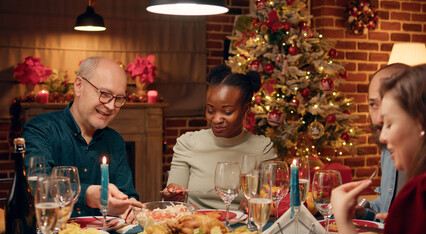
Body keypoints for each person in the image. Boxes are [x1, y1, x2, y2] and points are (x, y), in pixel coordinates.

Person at [23, 56, 142, 222]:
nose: (110, 106)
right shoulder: (40, 129)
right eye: (105, 94)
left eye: (119, 99)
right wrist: (88, 195)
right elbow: (37, 185)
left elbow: (127, 195)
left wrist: (128, 207)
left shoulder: (115, 141)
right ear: (79, 86)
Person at [162, 64, 277, 210]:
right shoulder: (188, 143)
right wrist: (172, 193)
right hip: (196, 226)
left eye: (227, 112)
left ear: (246, 109)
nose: (216, 119)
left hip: (242, 228)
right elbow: (174, 197)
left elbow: (271, 199)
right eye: (210, 110)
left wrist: (255, 204)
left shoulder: (262, 148)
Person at [331, 64, 426, 234]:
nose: (382, 136)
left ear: (419, 122)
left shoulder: (420, 188)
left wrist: (343, 221)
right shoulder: (392, 152)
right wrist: (363, 213)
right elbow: (386, 209)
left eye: (390, 123)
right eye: (373, 104)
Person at [355, 63, 409, 221]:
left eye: (388, 104)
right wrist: (362, 212)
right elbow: (387, 206)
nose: (379, 118)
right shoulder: (388, 149)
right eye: (373, 105)